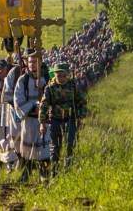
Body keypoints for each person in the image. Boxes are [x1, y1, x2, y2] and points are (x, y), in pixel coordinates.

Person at [39, 62, 86, 174]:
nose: (61, 78)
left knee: (70, 145)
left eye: (64, 75)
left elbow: (81, 101)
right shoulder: (50, 88)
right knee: (55, 147)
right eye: (59, 75)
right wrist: (42, 123)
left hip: (70, 119)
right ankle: (54, 171)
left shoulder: (73, 85)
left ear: (68, 75)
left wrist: (80, 117)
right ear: (54, 75)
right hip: (55, 120)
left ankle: (68, 170)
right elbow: (44, 105)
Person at [14, 49, 51, 182]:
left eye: (35, 62)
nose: (32, 64)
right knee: (27, 148)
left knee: (44, 147)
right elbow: (18, 100)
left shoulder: (47, 78)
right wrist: (33, 107)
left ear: (40, 62)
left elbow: (53, 96)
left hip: (44, 120)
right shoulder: (22, 80)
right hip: (29, 119)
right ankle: (26, 173)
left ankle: (44, 174)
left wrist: (45, 107)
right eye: (30, 62)